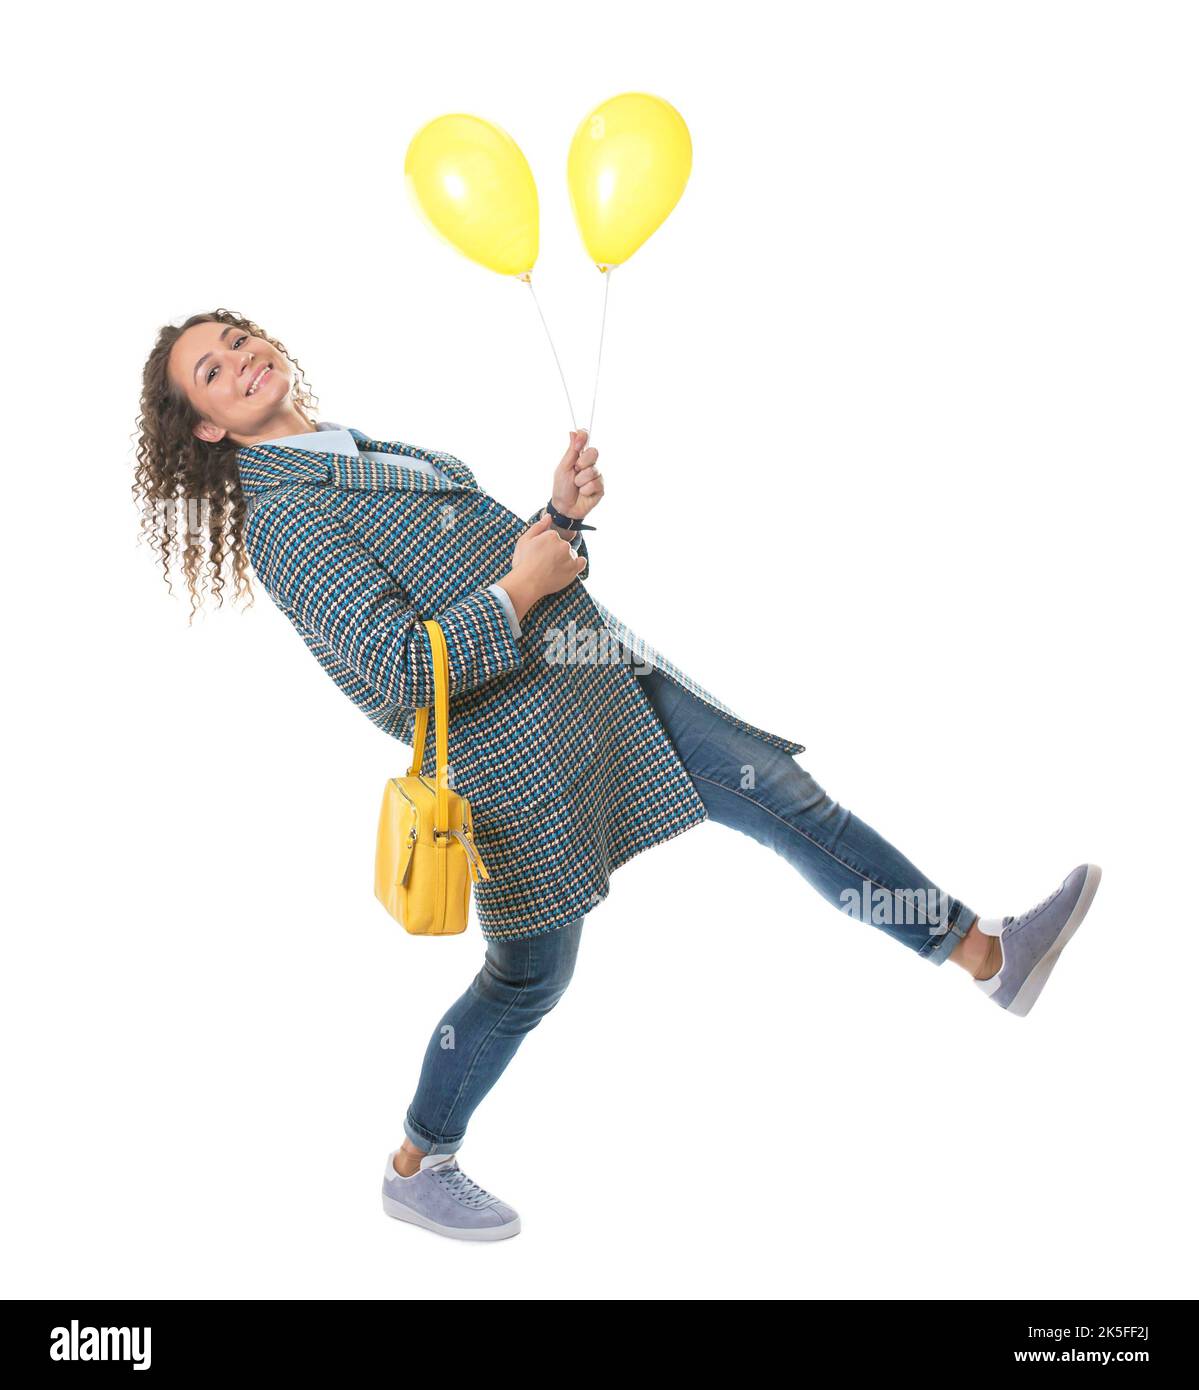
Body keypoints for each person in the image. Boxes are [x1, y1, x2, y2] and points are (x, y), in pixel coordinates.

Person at [135, 309, 1102, 1242]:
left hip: (604, 681)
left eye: (236, 338)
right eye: (211, 373)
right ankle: (417, 1165)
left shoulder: (352, 446)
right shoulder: (288, 519)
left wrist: (557, 515)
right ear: (210, 427)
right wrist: (524, 584)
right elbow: (402, 668)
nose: (239, 358)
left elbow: (488, 565)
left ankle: (981, 952)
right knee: (526, 981)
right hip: (520, 763)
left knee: (783, 796)